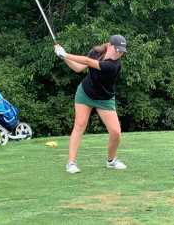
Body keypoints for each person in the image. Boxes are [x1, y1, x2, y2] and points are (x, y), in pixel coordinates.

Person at [54, 34, 128, 173]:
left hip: (104, 98)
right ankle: (71, 163)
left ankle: (111, 161)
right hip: (85, 92)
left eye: (121, 51)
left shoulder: (114, 65)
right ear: (109, 45)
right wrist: (64, 57)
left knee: (116, 132)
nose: (118, 53)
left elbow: (87, 62)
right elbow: (78, 68)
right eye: (116, 49)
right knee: (80, 124)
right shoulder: (96, 53)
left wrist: (65, 53)